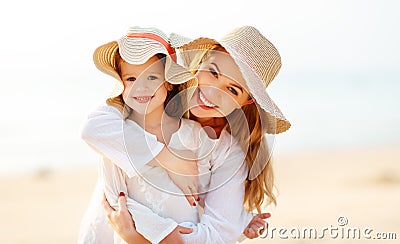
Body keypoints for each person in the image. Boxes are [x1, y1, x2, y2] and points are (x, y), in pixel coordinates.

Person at [98, 26, 291, 243]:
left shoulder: (228, 151)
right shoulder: (156, 98)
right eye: (213, 72)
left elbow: (217, 234)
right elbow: (99, 126)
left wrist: (135, 238)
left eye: (232, 90)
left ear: (245, 102)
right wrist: (167, 157)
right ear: (199, 64)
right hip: (109, 222)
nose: (212, 92)